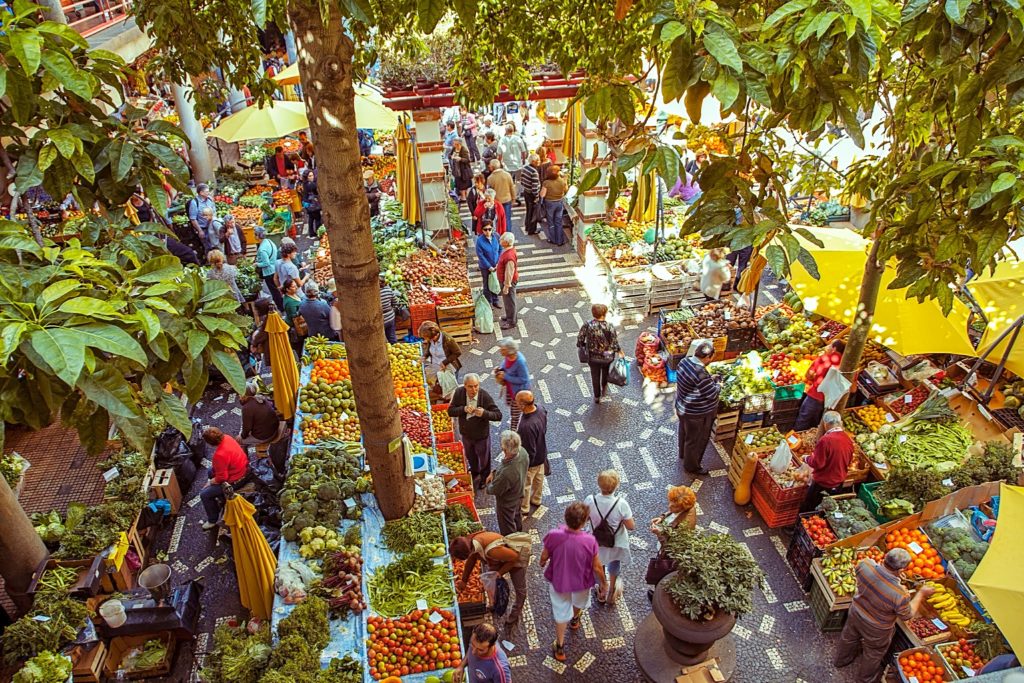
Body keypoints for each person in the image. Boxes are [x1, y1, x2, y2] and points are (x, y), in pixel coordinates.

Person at [834, 548, 935, 681]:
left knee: (849, 637)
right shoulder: (900, 594)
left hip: (856, 612)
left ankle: (841, 660)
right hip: (877, 629)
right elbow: (907, 615)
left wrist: (895, 578)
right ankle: (864, 679)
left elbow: (875, 573)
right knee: (873, 653)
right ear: (901, 570)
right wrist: (921, 593)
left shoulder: (865, 565)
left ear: (885, 557)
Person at [541, 502, 608, 663]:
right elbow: (597, 566)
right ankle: (575, 619)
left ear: (566, 517)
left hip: (559, 580)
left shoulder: (553, 535)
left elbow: (544, 555)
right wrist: (604, 583)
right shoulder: (590, 541)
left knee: (561, 612)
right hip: (582, 581)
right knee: (578, 602)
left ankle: (560, 645)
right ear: (584, 521)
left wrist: (542, 562)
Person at [451, 534, 527, 637]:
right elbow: (472, 560)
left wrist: (499, 573)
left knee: (520, 590)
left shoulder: (492, 551)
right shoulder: (471, 543)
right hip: (498, 560)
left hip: (514, 561)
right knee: (491, 584)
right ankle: (494, 605)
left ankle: (513, 616)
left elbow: (515, 558)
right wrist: (464, 580)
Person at [584, 470, 634, 605]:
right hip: (615, 541)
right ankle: (611, 590)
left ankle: (601, 590)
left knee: (598, 564)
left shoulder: (590, 500)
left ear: (599, 484)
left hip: (596, 541)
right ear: (616, 486)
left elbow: (584, 520)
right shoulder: (621, 503)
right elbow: (631, 526)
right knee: (614, 563)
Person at [447, 374, 503, 490]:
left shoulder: (484, 396)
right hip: (466, 434)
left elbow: (498, 415)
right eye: (470, 387)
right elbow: (450, 411)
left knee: (484, 458)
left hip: (481, 435)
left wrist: (484, 414)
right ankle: (475, 471)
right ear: (465, 386)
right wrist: (463, 409)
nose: (474, 390)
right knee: (470, 455)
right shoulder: (459, 393)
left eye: (476, 386)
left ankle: (484, 477)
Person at [675, 343, 721, 475]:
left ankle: (683, 454)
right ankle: (692, 466)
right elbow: (712, 393)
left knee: (685, 432)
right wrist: (718, 384)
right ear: (707, 357)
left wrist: (710, 379)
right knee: (696, 440)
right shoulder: (700, 373)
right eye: (711, 357)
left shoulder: (684, 361)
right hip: (697, 414)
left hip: (682, 407)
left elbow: (695, 384)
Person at [799, 410, 855, 512]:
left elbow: (818, 463)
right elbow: (849, 460)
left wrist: (806, 458)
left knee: (809, 508)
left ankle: (799, 526)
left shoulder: (826, 440)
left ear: (826, 424)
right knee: (827, 510)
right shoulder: (848, 439)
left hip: (824, 482)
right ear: (840, 422)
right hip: (839, 481)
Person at [199, 427, 250, 530]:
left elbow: (222, 478)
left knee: (204, 494)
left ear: (210, 443)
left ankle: (212, 520)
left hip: (237, 479)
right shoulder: (227, 438)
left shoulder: (219, 455)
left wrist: (210, 482)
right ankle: (222, 498)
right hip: (245, 469)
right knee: (210, 471)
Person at [794, 340, 847, 431]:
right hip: (834, 401)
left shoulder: (824, 358)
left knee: (803, 420)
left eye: (830, 346)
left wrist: (816, 378)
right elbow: (852, 388)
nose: (828, 348)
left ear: (834, 348)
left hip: (816, 395)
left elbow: (808, 375)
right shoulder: (847, 364)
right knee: (819, 424)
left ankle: (796, 440)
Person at [576, 304, 624, 403]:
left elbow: (580, 338)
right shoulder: (610, 326)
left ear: (593, 314)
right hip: (607, 356)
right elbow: (614, 343)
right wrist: (620, 351)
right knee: (605, 371)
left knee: (595, 375)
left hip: (593, 357)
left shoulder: (587, 325)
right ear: (605, 314)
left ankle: (597, 396)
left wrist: (581, 345)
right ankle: (604, 386)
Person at [486, 430, 528, 535]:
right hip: (518, 493)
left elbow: (494, 489)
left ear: (504, 449)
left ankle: (511, 544)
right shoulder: (523, 452)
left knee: (507, 525)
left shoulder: (507, 473)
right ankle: (519, 533)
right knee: (517, 515)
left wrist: (488, 485)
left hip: (507, 503)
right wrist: (495, 472)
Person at [515, 390, 548, 517]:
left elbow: (529, 450)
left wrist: (525, 465)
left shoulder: (526, 426)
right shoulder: (540, 409)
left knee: (526, 484)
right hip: (542, 453)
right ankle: (537, 499)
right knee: (539, 479)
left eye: (517, 402)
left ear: (523, 404)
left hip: (532, 461)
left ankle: (524, 507)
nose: (516, 404)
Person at [496, 337, 530, 430]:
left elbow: (524, 379)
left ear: (510, 351)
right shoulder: (508, 357)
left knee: (515, 414)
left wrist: (505, 377)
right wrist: (500, 369)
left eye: (503, 349)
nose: (500, 351)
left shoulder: (520, 362)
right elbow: (505, 364)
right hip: (510, 388)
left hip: (518, 393)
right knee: (510, 405)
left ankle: (514, 432)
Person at [238, 380, 282, 448]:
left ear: (244, 395)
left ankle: (245, 457)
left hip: (266, 436)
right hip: (274, 428)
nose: (239, 396)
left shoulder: (247, 408)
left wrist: (241, 436)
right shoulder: (260, 397)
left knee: (238, 441)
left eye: (240, 394)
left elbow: (247, 428)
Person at [254, 227, 282, 309]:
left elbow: (266, 263)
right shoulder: (269, 241)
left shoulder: (262, 249)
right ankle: (281, 304)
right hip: (274, 268)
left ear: (257, 236)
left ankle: (280, 307)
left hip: (268, 272)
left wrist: (257, 264)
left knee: (274, 291)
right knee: (277, 289)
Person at [539, 165, 568, 246]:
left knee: (551, 222)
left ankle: (553, 239)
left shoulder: (546, 183)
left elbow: (542, 195)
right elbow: (566, 190)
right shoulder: (562, 181)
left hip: (550, 203)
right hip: (559, 202)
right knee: (558, 221)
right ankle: (560, 240)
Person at [476, 221, 502, 308]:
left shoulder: (497, 236)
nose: (487, 231)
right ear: (482, 230)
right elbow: (480, 255)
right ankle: (489, 302)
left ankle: (495, 300)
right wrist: (489, 266)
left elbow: (500, 249)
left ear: (492, 229)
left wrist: (498, 262)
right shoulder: (479, 241)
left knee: (495, 282)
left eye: (489, 229)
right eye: (485, 229)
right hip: (485, 267)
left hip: (495, 265)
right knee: (486, 284)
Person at [496, 232, 519, 329]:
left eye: (501, 240)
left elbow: (509, 272)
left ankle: (511, 321)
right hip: (505, 280)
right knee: (507, 300)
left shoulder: (509, 256)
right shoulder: (508, 251)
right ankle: (510, 316)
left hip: (507, 281)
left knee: (510, 301)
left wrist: (506, 286)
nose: (500, 241)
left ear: (506, 242)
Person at [487, 160, 516, 232]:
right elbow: (512, 187)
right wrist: (513, 198)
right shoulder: (507, 175)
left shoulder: (490, 178)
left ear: (492, 167)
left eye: (490, 166)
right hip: (507, 199)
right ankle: (508, 234)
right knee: (507, 218)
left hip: (497, 201)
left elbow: (489, 192)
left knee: (498, 219)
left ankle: (500, 233)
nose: (489, 167)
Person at [186, 183, 217, 253]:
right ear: (201, 193)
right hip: (203, 229)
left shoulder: (210, 200)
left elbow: (214, 212)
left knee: (214, 245)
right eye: (207, 191)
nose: (208, 193)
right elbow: (193, 219)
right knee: (208, 247)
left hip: (212, 226)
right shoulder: (194, 203)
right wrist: (200, 231)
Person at [520, 154, 542, 235]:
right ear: (533, 162)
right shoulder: (534, 172)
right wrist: (536, 196)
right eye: (538, 160)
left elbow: (521, 180)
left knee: (528, 210)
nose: (539, 162)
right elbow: (535, 187)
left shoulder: (525, 168)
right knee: (533, 212)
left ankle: (527, 226)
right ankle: (531, 230)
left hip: (526, 192)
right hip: (532, 194)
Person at [451, 138, 474, 203]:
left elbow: (467, 160)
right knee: (460, 184)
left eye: (456, 144)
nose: (454, 145)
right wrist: (451, 156)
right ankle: (464, 197)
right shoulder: (454, 149)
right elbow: (449, 155)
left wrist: (460, 159)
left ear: (459, 144)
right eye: (454, 144)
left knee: (463, 184)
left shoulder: (464, 150)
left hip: (463, 170)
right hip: (457, 169)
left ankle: (464, 197)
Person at [300, 169, 322, 237]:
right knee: (317, 218)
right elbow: (316, 191)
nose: (312, 177)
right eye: (310, 176)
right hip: (313, 204)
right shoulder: (311, 184)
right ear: (306, 177)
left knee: (311, 217)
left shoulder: (304, 183)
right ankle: (319, 232)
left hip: (306, 203)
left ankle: (311, 232)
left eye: (312, 175)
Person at [379, 277, 398, 343]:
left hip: (380, 320)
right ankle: (395, 348)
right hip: (390, 317)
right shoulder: (388, 290)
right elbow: (395, 303)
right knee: (392, 337)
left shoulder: (372, 294)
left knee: (380, 339)